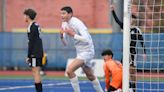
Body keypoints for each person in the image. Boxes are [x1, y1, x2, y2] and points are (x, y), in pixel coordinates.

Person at [60, 6, 103, 92]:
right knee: (90, 75)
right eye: (61, 13)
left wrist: (73, 34)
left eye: (64, 13)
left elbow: (86, 39)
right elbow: (65, 44)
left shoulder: (77, 23)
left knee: (69, 70)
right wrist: (61, 37)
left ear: (70, 14)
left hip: (87, 51)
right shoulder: (64, 24)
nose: (62, 15)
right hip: (79, 51)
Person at [110, 5, 146, 92]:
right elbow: (117, 21)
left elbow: (142, 41)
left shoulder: (137, 30)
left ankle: (133, 88)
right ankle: (123, 87)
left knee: (132, 72)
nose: (131, 20)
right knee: (123, 70)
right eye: (130, 18)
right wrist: (113, 11)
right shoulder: (125, 27)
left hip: (133, 52)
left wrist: (144, 52)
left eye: (133, 19)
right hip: (125, 52)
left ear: (134, 20)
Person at [24, 8, 43, 92]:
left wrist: (28, 56)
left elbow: (31, 42)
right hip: (38, 51)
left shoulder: (32, 26)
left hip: (35, 53)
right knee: (36, 71)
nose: (23, 18)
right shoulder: (37, 25)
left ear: (28, 16)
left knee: (35, 72)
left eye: (24, 16)